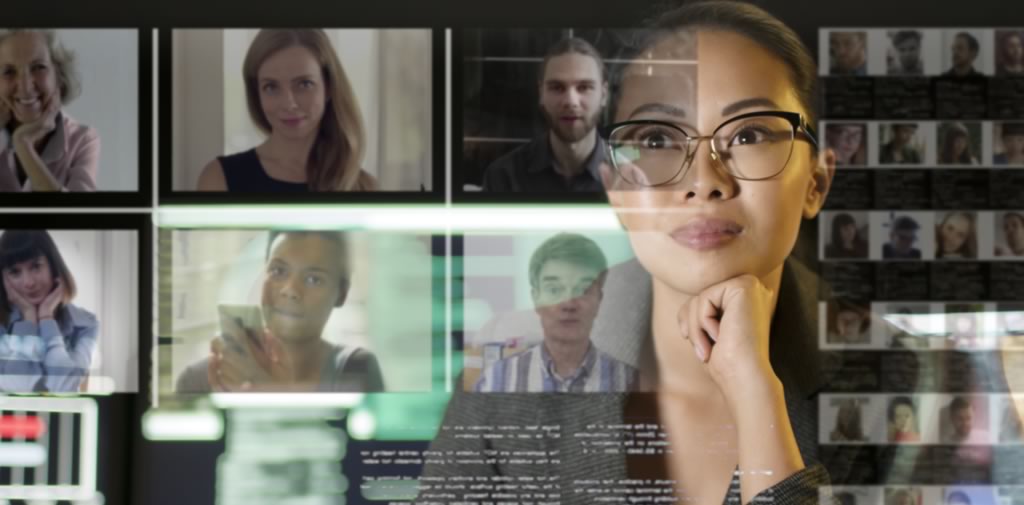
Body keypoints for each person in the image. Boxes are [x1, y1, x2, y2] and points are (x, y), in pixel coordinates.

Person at [420, 2, 845, 503]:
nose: (704, 180)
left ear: (816, 182)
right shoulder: (506, 370)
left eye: (748, 134)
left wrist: (757, 395)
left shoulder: (917, 379)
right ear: (618, 190)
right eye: (659, 137)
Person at [175, 230, 384, 392]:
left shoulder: (356, 370)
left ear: (341, 294)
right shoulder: (200, 378)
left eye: (314, 279)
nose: (290, 290)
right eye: (278, 271)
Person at [196, 29, 376, 192]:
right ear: (257, 94)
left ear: (328, 88)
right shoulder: (219, 178)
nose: (289, 103)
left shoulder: (362, 185)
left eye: (304, 84)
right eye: (271, 87)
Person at [474, 233, 636, 392]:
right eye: (554, 289)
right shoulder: (495, 380)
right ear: (536, 299)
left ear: (599, 299)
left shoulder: (631, 381)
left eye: (583, 289)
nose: (569, 304)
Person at [480, 38, 608, 192]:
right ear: (541, 93)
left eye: (584, 87)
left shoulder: (631, 178)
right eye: (557, 87)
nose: (570, 101)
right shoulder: (503, 176)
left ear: (604, 95)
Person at [0, 30, 99, 192]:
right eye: (8, 71)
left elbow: (80, 217)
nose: (25, 87)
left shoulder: (83, 139)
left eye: (38, 67)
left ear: (58, 76)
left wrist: (23, 144)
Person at [0, 230, 96, 392]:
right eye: (15, 272)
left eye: (36, 266)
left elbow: (64, 387)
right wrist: (28, 319)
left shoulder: (85, 324)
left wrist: (46, 319)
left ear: (54, 266)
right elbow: (17, 388)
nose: (28, 282)